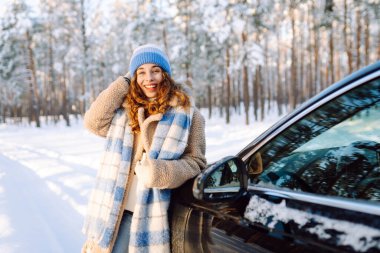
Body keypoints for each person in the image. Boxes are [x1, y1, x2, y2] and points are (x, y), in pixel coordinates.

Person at [81, 44, 207, 253]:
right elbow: (93, 122)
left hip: (146, 215)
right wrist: (123, 83)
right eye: (141, 72)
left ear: (165, 74)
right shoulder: (124, 109)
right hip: (110, 209)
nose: (149, 78)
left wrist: (160, 173)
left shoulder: (188, 114)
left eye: (155, 71)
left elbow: (197, 162)